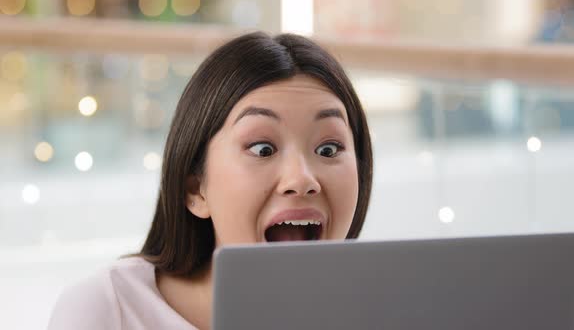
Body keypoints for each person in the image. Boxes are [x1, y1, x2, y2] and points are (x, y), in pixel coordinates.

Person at [47, 31, 373, 330]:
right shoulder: (106, 311)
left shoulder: (385, 309)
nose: (302, 179)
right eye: (262, 149)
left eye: (329, 149)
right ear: (195, 190)